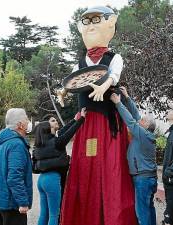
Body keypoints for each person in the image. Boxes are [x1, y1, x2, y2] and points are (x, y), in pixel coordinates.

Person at [60, 6, 137, 225]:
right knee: (84, 167)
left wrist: (105, 86)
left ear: (109, 24)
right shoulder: (80, 61)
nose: (92, 24)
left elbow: (114, 75)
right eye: (87, 21)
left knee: (111, 168)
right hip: (86, 121)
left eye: (96, 19)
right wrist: (63, 92)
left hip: (108, 122)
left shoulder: (114, 57)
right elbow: (73, 81)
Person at [110, 87, 158, 225]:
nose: (140, 120)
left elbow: (131, 121)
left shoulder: (143, 135)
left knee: (141, 212)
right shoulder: (145, 134)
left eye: (143, 120)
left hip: (143, 178)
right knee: (149, 208)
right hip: (148, 177)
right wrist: (127, 97)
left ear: (146, 126)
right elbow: (136, 116)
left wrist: (118, 103)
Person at [33, 108, 86, 225]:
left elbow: (62, 133)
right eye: (51, 122)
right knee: (54, 215)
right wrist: (81, 119)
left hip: (42, 180)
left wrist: (75, 119)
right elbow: (69, 133)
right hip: (52, 179)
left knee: (44, 214)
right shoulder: (56, 142)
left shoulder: (39, 146)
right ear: (47, 128)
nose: (54, 124)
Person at [0, 108, 33, 225]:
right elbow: (14, 177)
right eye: (26, 118)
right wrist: (22, 202)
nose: (28, 121)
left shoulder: (4, 141)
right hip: (11, 202)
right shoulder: (16, 144)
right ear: (20, 125)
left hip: (3, 198)